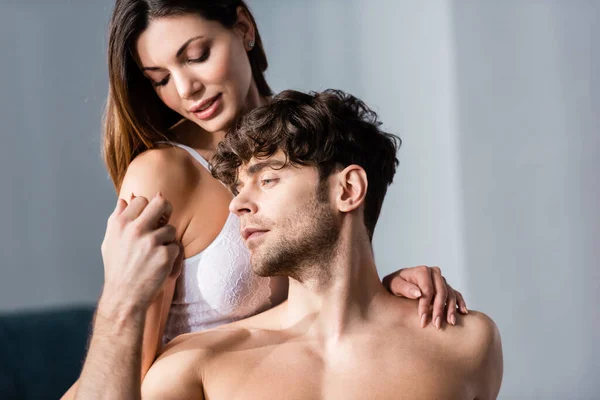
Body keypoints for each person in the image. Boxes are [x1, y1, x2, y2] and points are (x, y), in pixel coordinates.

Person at [64, 1, 467, 398]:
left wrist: (382, 295)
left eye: (197, 56)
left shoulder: (305, 143)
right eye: (160, 79)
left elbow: (318, 303)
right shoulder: (164, 175)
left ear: (243, 27)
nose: (186, 89)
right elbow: (127, 366)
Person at [138, 89, 503, 399]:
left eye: (266, 180)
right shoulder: (194, 367)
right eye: (237, 189)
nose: (237, 205)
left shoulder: (465, 344)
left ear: (347, 189)